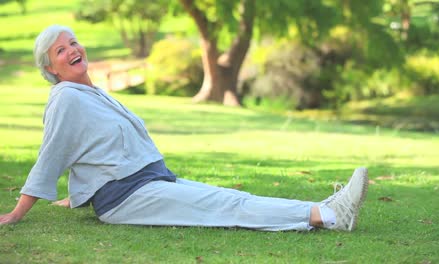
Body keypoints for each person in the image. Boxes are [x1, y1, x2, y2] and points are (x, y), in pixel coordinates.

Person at [0, 25, 369, 232]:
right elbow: (52, 154)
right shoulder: (65, 98)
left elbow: (91, 150)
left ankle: (323, 207)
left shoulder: (89, 93)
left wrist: (80, 193)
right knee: (229, 205)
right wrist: (18, 213)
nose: (72, 50)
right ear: (51, 69)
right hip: (129, 197)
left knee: (227, 197)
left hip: (150, 182)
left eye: (73, 42)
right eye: (60, 51)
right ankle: (331, 216)